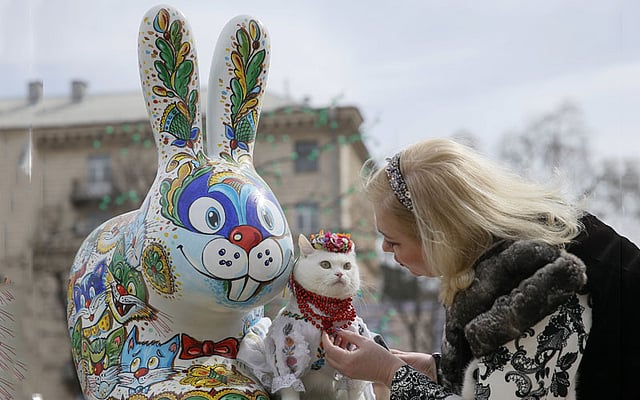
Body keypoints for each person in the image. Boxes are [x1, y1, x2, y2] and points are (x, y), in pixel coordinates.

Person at [321, 138, 640, 399]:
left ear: (437, 235)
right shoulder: (510, 250)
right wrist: (436, 369)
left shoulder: (535, 278)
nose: (386, 250)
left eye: (393, 240)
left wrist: (390, 374)